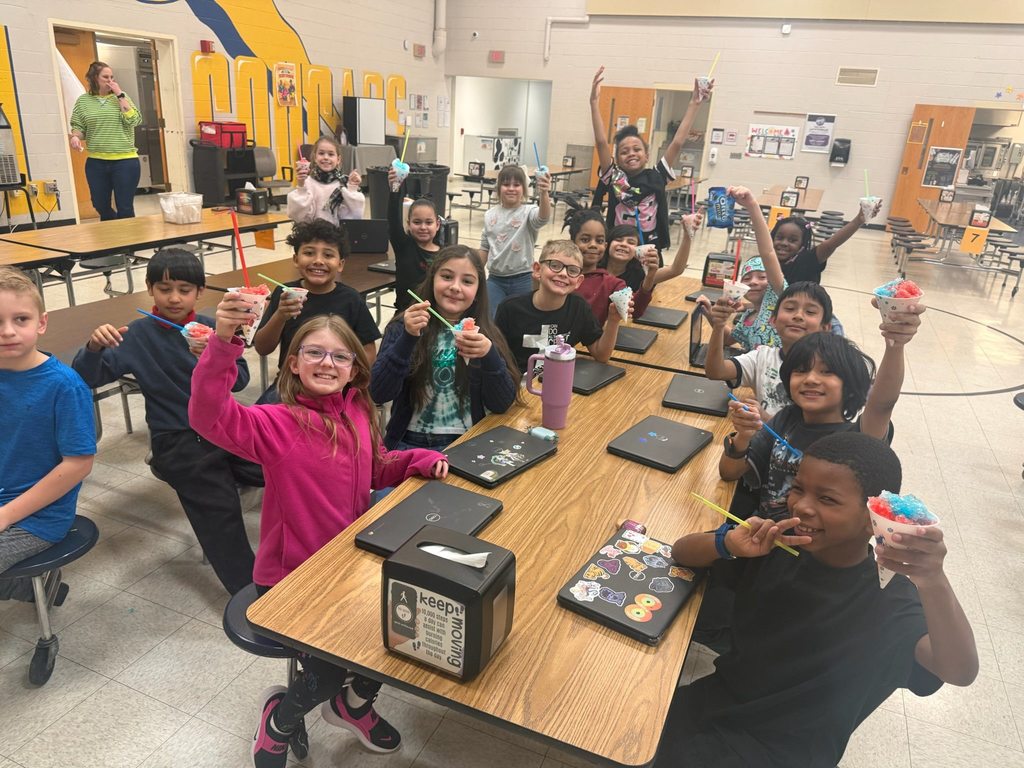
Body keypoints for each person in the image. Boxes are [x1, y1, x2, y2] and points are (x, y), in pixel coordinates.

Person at [188, 307, 448, 768]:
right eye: (314, 353)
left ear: (355, 369)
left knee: (404, 636)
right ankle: (278, 721)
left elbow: (375, 468)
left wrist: (416, 460)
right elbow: (209, 416)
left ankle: (353, 707)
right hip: (290, 579)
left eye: (340, 356)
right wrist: (224, 344)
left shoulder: (359, 410)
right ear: (293, 363)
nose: (327, 364)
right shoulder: (276, 423)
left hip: (348, 567)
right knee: (325, 677)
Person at [657, 432, 978, 768]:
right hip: (714, 705)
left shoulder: (888, 598)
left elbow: (959, 670)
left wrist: (933, 579)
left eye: (827, 499)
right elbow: (681, 552)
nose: (801, 506)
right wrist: (726, 544)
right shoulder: (778, 543)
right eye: (798, 488)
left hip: (784, 752)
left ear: (873, 519)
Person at [72, 248, 261, 595]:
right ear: (150, 289)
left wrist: (216, 358)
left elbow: (241, 380)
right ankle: (251, 596)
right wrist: (94, 347)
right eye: (164, 288)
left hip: (224, 428)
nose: (174, 297)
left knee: (282, 462)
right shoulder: (136, 335)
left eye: (184, 289)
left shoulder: (210, 327)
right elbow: (88, 376)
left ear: (199, 292)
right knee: (218, 506)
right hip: (176, 438)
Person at [722, 306, 921, 522]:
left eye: (827, 372)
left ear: (850, 385)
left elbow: (882, 403)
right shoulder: (786, 419)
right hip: (765, 535)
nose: (811, 379)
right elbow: (729, 472)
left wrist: (895, 345)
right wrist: (743, 437)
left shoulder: (858, 439)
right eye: (801, 370)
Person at [0, 268, 94, 603]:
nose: (7, 331)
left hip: (37, 517)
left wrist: (6, 515)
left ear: (41, 323)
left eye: (20, 319)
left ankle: (26, 587)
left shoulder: (63, 386)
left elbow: (78, 464)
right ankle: (23, 588)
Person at [371, 245, 520, 451]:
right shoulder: (402, 328)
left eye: (467, 281)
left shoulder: (485, 335)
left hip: (466, 442)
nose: (455, 287)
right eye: (447, 277)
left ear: (478, 292)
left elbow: (501, 404)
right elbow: (378, 393)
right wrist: (407, 338)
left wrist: (490, 355)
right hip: (409, 443)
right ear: (432, 279)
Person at [253, 220, 380, 402]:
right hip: (291, 384)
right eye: (309, 253)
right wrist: (280, 316)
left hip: (335, 386)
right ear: (296, 259)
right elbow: (262, 348)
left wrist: (346, 379)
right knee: (258, 417)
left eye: (328, 255)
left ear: (340, 264)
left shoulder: (351, 299)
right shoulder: (285, 294)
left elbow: (368, 351)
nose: (318, 261)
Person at [589, 65, 712, 252]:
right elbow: (600, 142)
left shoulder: (656, 176)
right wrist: (594, 103)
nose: (631, 153)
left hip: (649, 249)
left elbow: (677, 142)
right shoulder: (615, 178)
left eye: (637, 149)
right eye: (624, 151)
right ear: (617, 159)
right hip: (618, 249)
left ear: (646, 156)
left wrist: (695, 104)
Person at [704, 281, 834, 419]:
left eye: (810, 312)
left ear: (825, 328)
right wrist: (718, 326)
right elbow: (716, 371)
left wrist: (765, 419)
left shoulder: (830, 372)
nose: (798, 315)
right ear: (773, 320)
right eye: (790, 308)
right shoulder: (762, 357)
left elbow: (820, 427)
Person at [495, 240, 623, 373]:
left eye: (572, 270)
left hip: (560, 380)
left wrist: (613, 320)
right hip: (518, 382)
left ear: (578, 281)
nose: (563, 273)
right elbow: (496, 358)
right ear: (538, 269)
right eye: (555, 265)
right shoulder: (510, 308)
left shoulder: (579, 308)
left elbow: (601, 355)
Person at [703, 187, 787, 352]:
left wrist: (752, 205)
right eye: (747, 279)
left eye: (762, 277)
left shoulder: (779, 298)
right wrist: (710, 315)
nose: (753, 282)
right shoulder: (748, 317)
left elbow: (768, 252)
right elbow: (728, 339)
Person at [68, 61, 142, 220]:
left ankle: (127, 236)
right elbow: (78, 126)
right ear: (94, 78)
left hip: (125, 161)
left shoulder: (121, 97)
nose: (110, 81)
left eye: (112, 77)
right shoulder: (83, 101)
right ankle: (113, 230)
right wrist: (75, 137)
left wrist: (119, 95)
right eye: (106, 77)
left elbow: (134, 120)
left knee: (125, 207)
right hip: (96, 162)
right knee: (99, 204)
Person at [480, 164, 552, 313]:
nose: (511, 188)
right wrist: (473, 271)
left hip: (523, 278)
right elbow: (485, 248)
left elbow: (543, 218)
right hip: (495, 280)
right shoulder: (489, 215)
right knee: (491, 317)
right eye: (506, 184)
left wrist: (544, 193)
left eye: (517, 185)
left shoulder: (529, 211)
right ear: (498, 188)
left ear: (524, 189)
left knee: (521, 317)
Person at [600, 212, 704, 308]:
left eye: (631, 242)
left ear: (638, 251)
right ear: (606, 245)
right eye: (618, 240)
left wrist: (687, 235)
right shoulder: (594, 268)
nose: (623, 244)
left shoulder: (642, 275)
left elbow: (675, 270)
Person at [564, 208, 643, 325]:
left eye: (599, 241)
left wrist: (649, 279)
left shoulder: (612, 284)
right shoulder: (560, 274)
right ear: (572, 243)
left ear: (605, 246)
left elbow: (634, 310)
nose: (593, 245)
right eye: (585, 239)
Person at [385, 168, 441, 312]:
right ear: (408, 224)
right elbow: (393, 218)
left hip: (434, 316)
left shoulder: (445, 254)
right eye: (417, 222)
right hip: (405, 314)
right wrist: (395, 187)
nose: (423, 227)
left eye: (429, 222)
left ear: (437, 224)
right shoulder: (403, 246)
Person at [287, 135, 364, 225]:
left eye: (331, 154)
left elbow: (355, 216)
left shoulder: (344, 183)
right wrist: (301, 187)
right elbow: (297, 216)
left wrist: (352, 188)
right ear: (315, 158)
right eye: (321, 153)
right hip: (312, 232)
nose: (326, 157)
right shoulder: (308, 183)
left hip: (337, 232)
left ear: (338, 159)